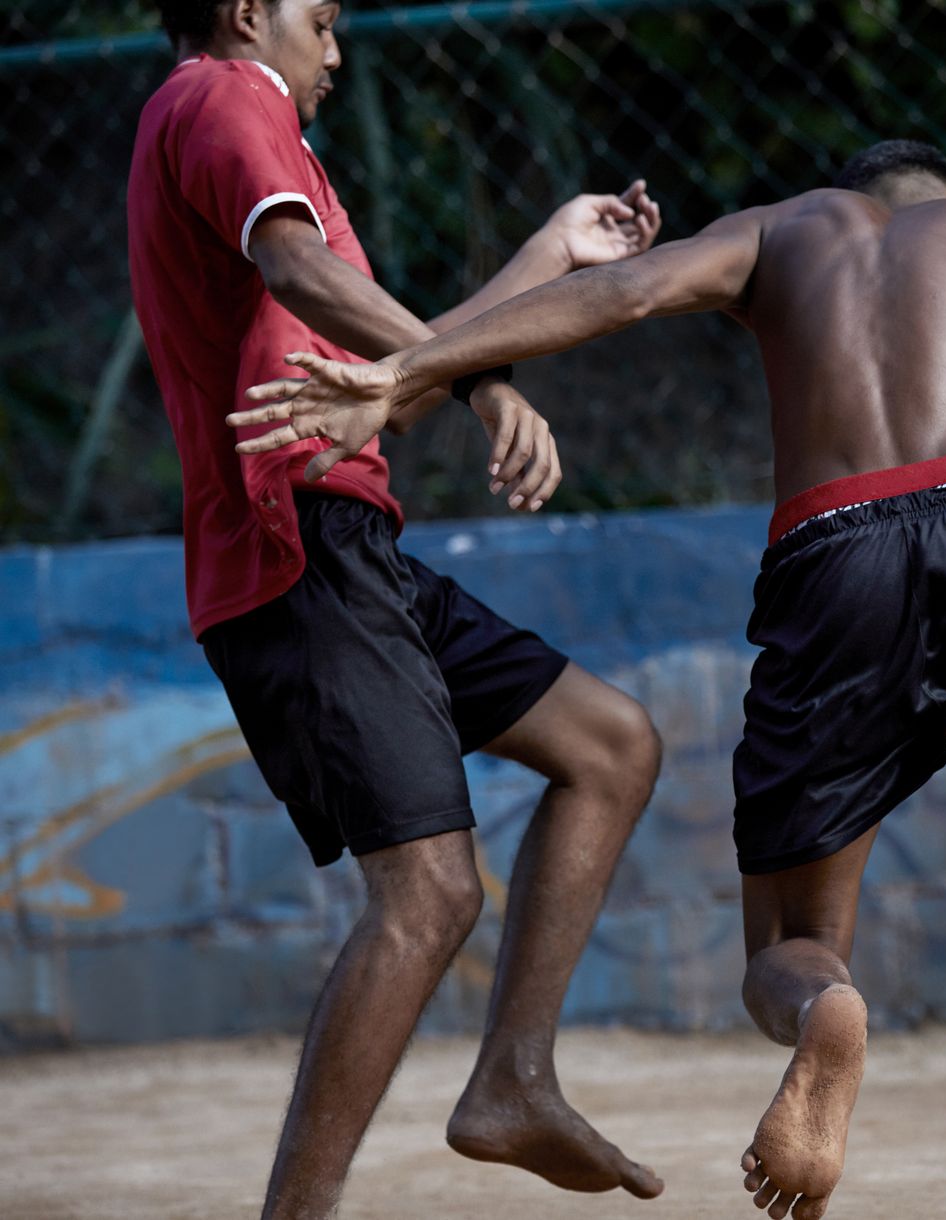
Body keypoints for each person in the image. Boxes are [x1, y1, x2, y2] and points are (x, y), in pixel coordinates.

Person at [231, 140, 946, 1220]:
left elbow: (621, 295)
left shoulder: (779, 230)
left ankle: (825, 1009)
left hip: (834, 555)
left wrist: (406, 369)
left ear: (849, 198)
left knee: (784, 947)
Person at [127, 2, 668, 1216]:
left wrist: (548, 254)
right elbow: (308, 279)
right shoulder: (223, 97)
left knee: (610, 744)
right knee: (427, 891)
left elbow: (388, 386)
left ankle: (512, 1081)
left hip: (352, 546)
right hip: (298, 552)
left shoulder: (262, 150)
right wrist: (482, 385)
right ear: (248, 9)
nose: (336, 47)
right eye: (320, 17)